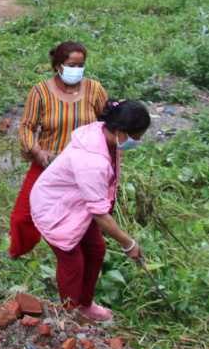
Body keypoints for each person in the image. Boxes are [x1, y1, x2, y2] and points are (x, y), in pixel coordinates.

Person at [29, 99, 151, 322]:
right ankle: (69, 315)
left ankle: (85, 305)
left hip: (75, 203)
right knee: (72, 262)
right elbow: (99, 214)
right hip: (54, 208)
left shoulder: (105, 134)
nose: (137, 142)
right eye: (136, 137)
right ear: (120, 132)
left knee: (95, 250)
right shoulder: (91, 161)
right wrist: (128, 243)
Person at [8, 41, 110, 258]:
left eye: (81, 65)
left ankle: (73, 246)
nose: (77, 70)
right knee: (22, 216)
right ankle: (18, 252)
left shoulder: (94, 89)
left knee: (80, 215)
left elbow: (107, 121)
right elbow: (27, 126)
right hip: (49, 163)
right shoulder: (41, 92)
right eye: (71, 65)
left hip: (82, 168)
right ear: (58, 66)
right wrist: (36, 151)